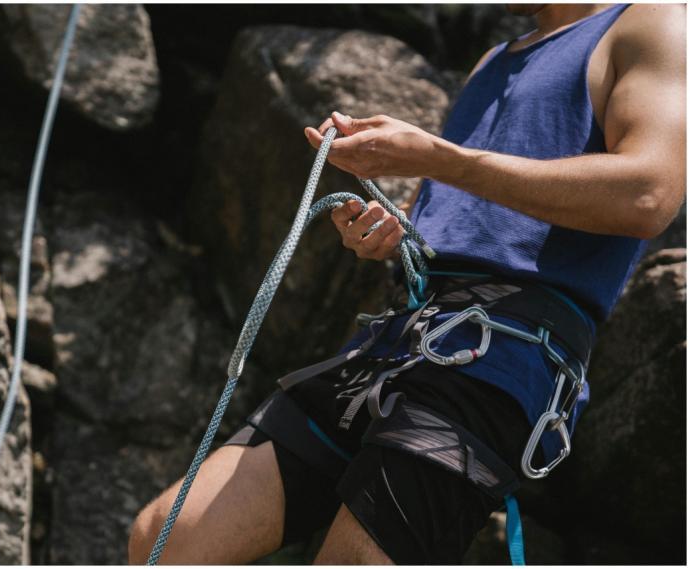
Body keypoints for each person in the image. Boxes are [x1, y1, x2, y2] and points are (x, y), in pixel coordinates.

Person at [129, 4, 685, 564]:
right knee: (166, 535)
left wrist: (444, 161)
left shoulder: (651, 24)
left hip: (503, 356)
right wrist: (392, 234)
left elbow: (648, 194)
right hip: (402, 336)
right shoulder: (494, 60)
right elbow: (463, 212)